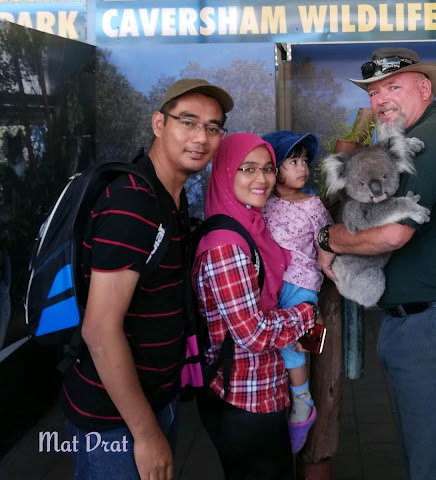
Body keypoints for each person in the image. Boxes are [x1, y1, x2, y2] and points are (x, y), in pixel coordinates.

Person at [318, 47, 436, 480]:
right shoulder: (400, 142)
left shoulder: (430, 141)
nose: (381, 100)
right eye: (375, 93)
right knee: (431, 446)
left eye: (392, 87)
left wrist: (328, 239)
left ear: (424, 88)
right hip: (426, 321)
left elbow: (392, 232)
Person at [62, 78, 233, 480]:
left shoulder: (170, 196)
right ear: (159, 123)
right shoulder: (133, 201)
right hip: (112, 420)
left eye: (212, 127)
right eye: (187, 121)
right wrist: (145, 433)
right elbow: (100, 331)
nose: (201, 137)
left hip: (154, 399)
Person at [193, 132, 319, 479]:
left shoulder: (252, 225)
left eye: (266, 168)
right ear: (225, 172)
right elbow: (252, 333)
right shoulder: (225, 246)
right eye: (247, 169)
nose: (261, 178)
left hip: (264, 392)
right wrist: (307, 315)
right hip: (246, 400)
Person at [261, 130, 334, 452]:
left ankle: (303, 400)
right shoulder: (264, 203)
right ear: (274, 168)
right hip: (271, 285)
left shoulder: (314, 204)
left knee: (301, 342)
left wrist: (328, 268)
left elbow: (326, 239)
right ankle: (296, 393)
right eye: (293, 161)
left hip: (304, 283)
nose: (302, 167)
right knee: (282, 343)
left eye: (304, 160)